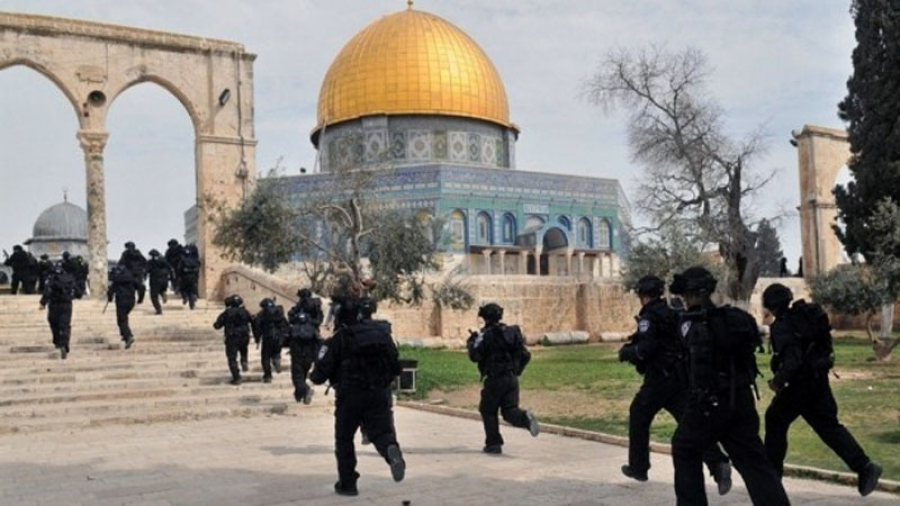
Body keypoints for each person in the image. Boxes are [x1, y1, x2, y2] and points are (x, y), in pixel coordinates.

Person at [668, 266, 789, 506]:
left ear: (694, 295)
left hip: (709, 403)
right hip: (742, 399)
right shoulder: (735, 319)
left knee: (684, 447)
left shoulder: (694, 324)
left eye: (686, 296)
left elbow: (688, 347)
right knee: (755, 463)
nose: (684, 300)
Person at [762, 283, 882, 496]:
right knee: (829, 427)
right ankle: (864, 466)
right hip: (818, 381)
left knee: (775, 419)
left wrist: (777, 382)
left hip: (798, 386)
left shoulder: (783, 325)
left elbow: (793, 360)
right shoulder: (805, 318)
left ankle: (772, 479)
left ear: (771, 305)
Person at [618, 275, 731, 494]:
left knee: (638, 414)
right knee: (690, 424)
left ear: (643, 295)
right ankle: (718, 463)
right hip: (680, 378)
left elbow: (646, 348)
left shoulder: (649, 316)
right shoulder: (674, 311)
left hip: (659, 379)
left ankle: (638, 466)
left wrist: (627, 352)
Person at [310, 294, 406, 496]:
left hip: (350, 396)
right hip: (379, 393)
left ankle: (348, 484)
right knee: (381, 432)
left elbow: (319, 375)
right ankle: (390, 450)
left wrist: (314, 371)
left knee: (344, 439)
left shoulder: (339, 339)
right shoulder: (381, 334)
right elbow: (396, 366)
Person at [466, 302, 539, 454]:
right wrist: (516, 370)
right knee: (509, 410)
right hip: (512, 378)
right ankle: (525, 418)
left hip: (495, 378)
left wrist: (471, 341)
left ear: (485, 318)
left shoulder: (485, 335)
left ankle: (493, 444)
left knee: (487, 409)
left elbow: (475, 355)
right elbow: (525, 354)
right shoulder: (511, 333)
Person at [286, 288, 324, 403]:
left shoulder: (300, 306)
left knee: (297, 374)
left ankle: (304, 390)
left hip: (299, 345)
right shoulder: (316, 305)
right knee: (303, 372)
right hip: (312, 339)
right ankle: (300, 393)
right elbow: (320, 320)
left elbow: (290, 317)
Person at [213, 294, 253, 385]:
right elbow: (252, 320)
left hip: (232, 337)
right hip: (244, 336)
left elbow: (217, 325)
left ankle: (237, 377)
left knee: (232, 358)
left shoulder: (227, 313)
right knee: (243, 349)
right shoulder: (245, 311)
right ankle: (244, 360)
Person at [39, 263, 77, 359]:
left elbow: (47, 291)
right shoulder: (70, 278)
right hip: (67, 304)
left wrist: (43, 303)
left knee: (54, 323)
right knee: (65, 325)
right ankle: (64, 343)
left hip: (55, 304)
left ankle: (58, 342)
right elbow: (78, 291)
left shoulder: (52, 278)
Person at [251, 298, 287, 383]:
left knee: (265, 357)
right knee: (276, 352)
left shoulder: (262, 314)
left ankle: (268, 376)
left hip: (268, 337)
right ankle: (276, 359)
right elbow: (286, 325)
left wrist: (257, 338)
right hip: (279, 337)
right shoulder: (279, 312)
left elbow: (256, 326)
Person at [107, 265, 139, 349]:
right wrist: (140, 298)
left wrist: (110, 298)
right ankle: (125, 334)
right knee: (124, 318)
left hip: (121, 301)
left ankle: (128, 336)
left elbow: (110, 291)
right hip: (131, 301)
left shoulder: (116, 280)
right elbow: (141, 286)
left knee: (121, 320)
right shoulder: (131, 278)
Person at [146, 249, 173, 315]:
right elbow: (170, 268)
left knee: (154, 296)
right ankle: (163, 293)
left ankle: (159, 310)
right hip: (164, 280)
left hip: (155, 280)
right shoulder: (163, 260)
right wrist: (171, 278)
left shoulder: (151, 262)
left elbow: (147, 270)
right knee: (161, 290)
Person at [178, 244, 200, 310]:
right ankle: (192, 305)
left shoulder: (183, 260)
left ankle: (185, 297)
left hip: (185, 277)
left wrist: (179, 276)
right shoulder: (195, 260)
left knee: (182, 289)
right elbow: (198, 268)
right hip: (193, 277)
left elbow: (179, 269)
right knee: (191, 291)